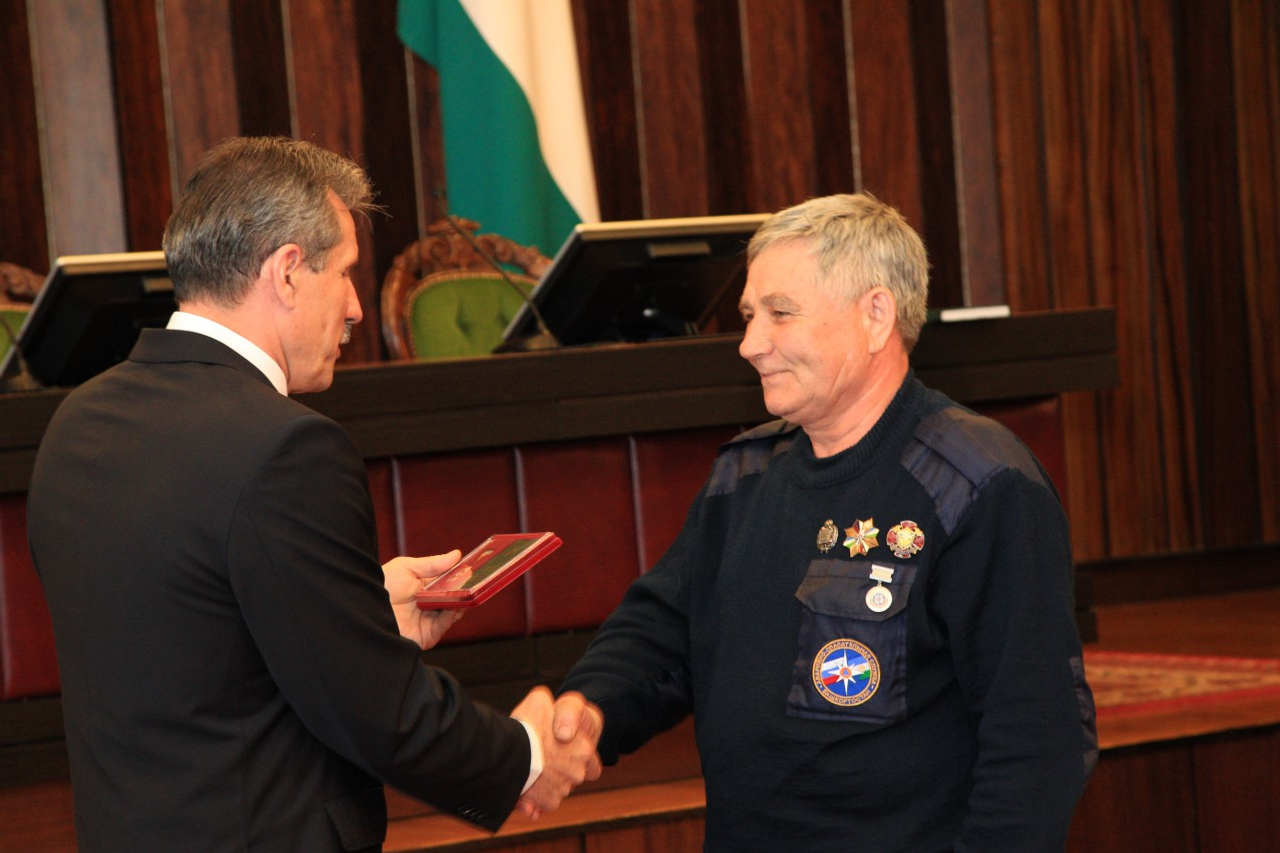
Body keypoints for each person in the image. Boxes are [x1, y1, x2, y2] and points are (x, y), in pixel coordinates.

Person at [26, 136, 600, 852]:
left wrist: (358, 613)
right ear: (289, 272)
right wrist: (528, 756)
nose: (356, 307)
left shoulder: (77, 423)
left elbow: (187, 643)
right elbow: (378, 712)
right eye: (347, 272)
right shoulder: (287, 448)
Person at [556, 193, 1097, 851]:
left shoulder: (980, 484)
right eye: (749, 316)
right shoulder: (743, 475)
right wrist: (590, 707)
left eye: (781, 313)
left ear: (876, 316)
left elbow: (1038, 739)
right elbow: (662, 633)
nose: (751, 345)